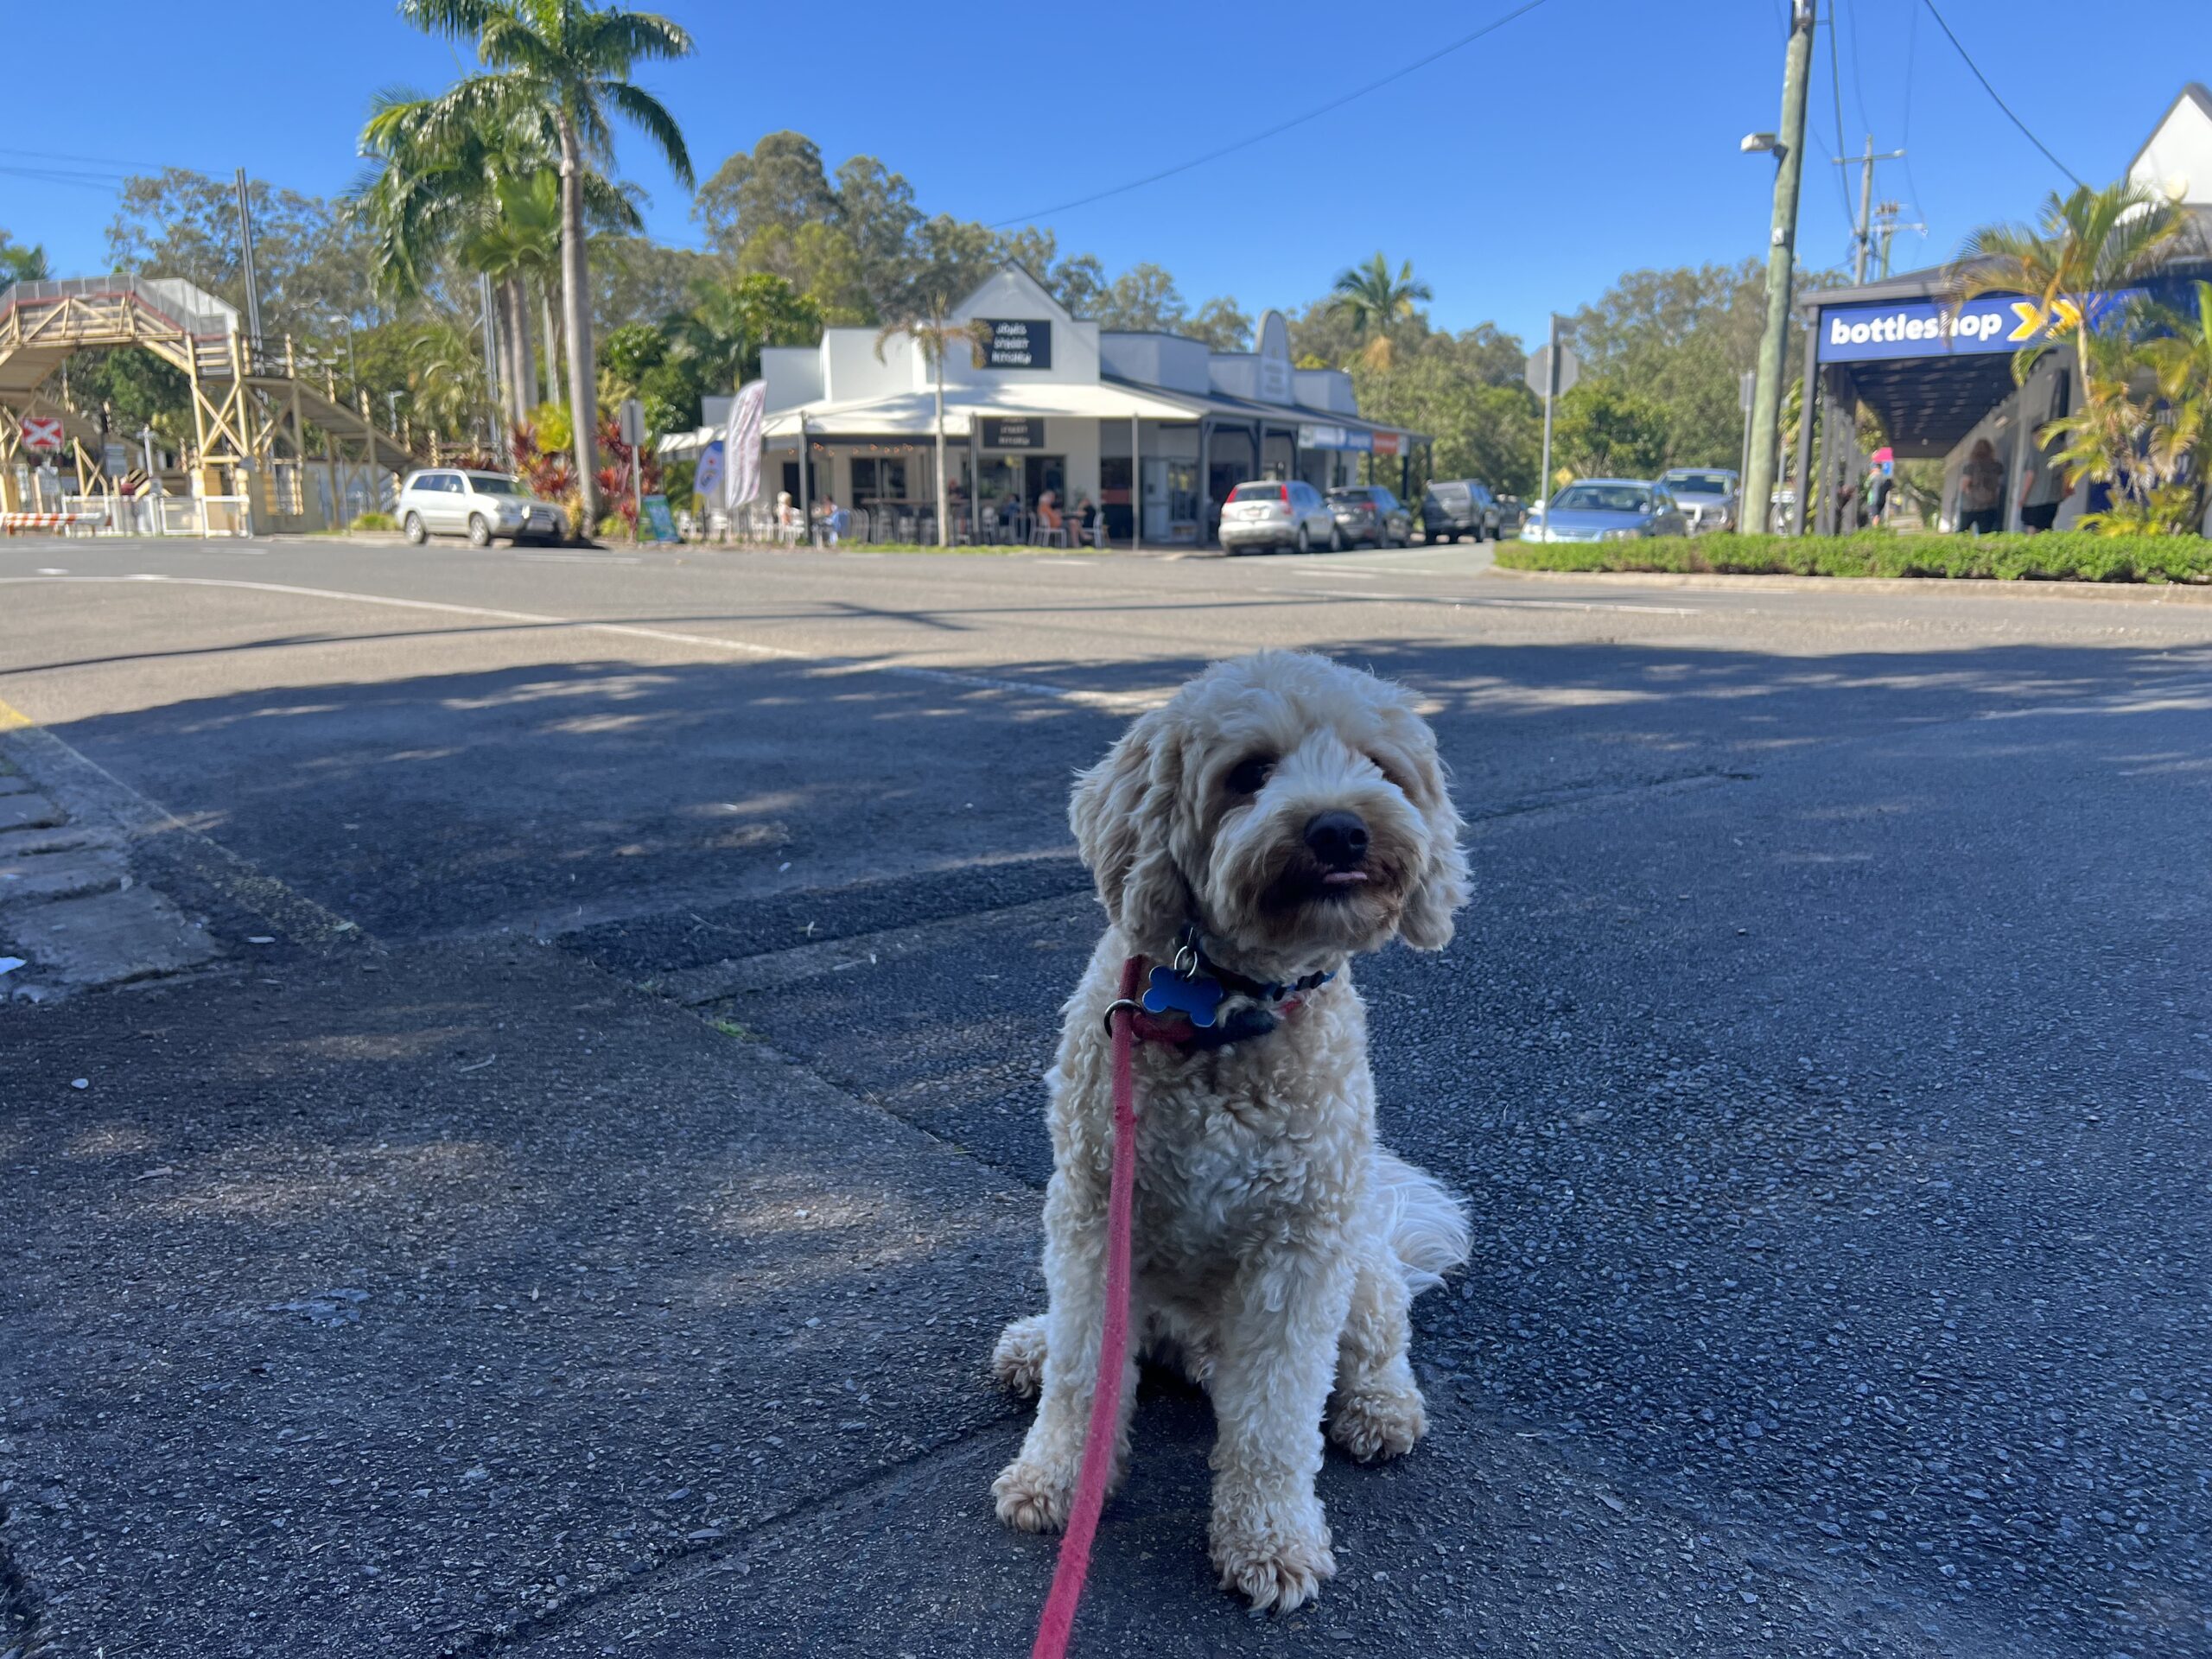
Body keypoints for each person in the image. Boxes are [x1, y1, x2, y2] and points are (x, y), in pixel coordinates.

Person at [1956, 439, 2004, 534]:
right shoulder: (1997, 466)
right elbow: (1999, 483)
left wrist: (1968, 491)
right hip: (1989, 506)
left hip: (1970, 506)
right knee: (1985, 534)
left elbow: (1964, 485)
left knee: (1962, 532)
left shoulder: (1970, 466)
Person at [1864, 461, 1892, 528]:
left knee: (1875, 516)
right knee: (1878, 515)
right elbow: (1889, 485)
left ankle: (1875, 531)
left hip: (1873, 499)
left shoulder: (1873, 477)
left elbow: (1866, 486)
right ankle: (1878, 528)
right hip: (1882, 499)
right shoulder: (1884, 476)